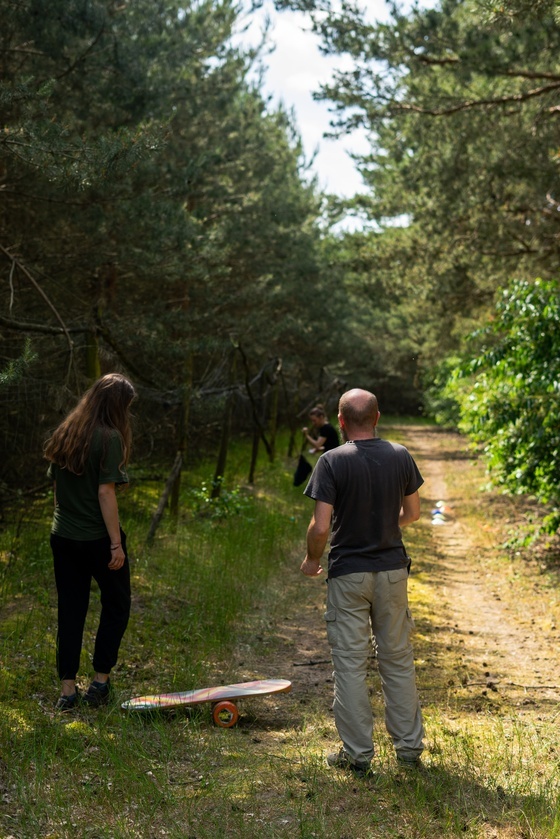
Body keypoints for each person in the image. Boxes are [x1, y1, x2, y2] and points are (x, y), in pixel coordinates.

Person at [301, 388, 425, 777]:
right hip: (391, 571)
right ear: (377, 417)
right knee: (398, 660)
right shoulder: (400, 455)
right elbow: (414, 513)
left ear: (340, 421)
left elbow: (321, 526)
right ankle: (408, 748)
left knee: (351, 665)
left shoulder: (331, 461)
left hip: (349, 574)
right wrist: (387, 527)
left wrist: (312, 558)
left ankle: (357, 754)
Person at [44, 373, 136, 711]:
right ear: (117, 405)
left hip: (63, 536)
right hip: (97, 538)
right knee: (117, 603)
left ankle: (67, 691)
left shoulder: (67, 430)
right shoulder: (109, 438)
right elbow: (105, 492)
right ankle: (99, 683)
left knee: (71, 608)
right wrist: (115, 544)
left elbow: (56, 487)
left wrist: (63, 517)